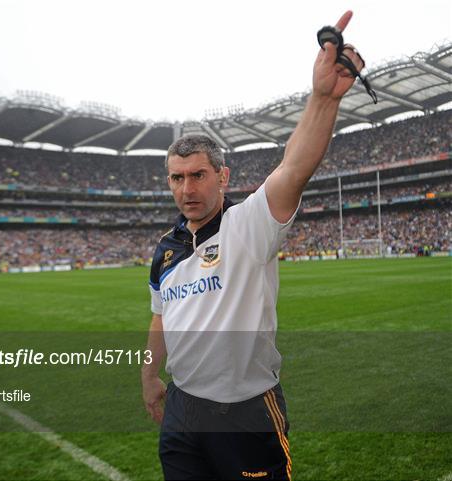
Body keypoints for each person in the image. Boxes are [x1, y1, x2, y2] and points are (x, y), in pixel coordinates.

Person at [141, 11, 365, 480]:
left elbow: (294, 167)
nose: (187, 189)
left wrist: (323, 98)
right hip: (182, 410)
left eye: (198, 175)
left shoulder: (248, 224)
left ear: (221, 177)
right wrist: (148, 376)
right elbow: (161, 316)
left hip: (245, 413)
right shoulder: (165, 250)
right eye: (177, 178)